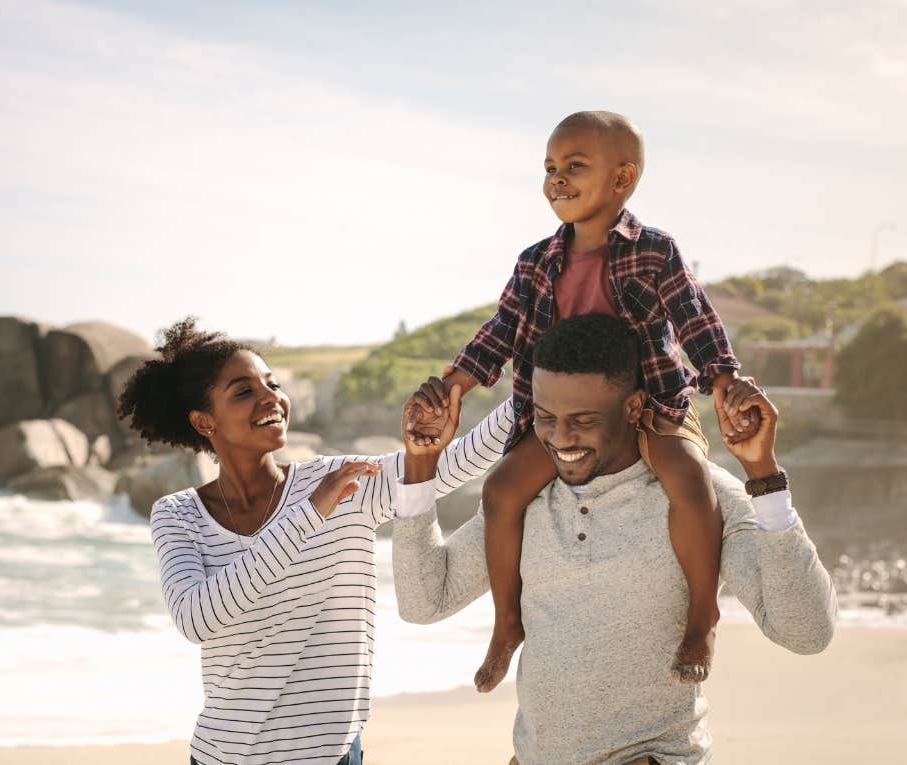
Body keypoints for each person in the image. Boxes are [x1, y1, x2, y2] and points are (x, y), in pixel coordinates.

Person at [405, 110, 766, 691]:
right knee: (499, 492)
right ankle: (506, 624)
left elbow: (693, 318)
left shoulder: (653, 251)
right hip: (561, 420)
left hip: (648, 407)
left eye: (575, 166)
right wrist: (455, 384)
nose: (557, 179)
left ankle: (702, 617)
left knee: (690, 482)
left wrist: (723, 378)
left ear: (622, 179)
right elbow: (500, 330)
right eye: (549, 168)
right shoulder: (535, 261)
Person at [395, 314, 836, 765]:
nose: (560, 438)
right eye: (547, 418)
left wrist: (763, 474)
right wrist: (421, 466)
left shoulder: (700, 497)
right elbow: (424, 602)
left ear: (632, 407)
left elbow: (807, 633)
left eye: (583, 420)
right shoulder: (524, 499)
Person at [118, 317, 514, 765]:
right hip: (220, 756)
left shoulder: (341, 482)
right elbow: (197, 619)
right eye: (244, 391)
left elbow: (460, 459)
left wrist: (544, 383)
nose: (271, 398)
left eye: (273, 384)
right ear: (204, 421)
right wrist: (310, 513)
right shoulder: (179, 514)